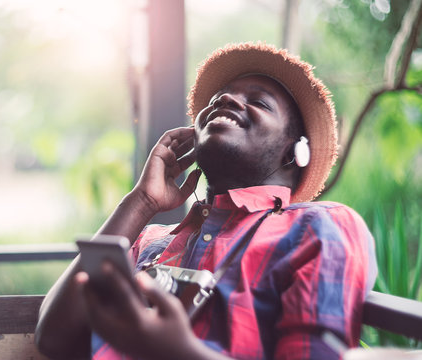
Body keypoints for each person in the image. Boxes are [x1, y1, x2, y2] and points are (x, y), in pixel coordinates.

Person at [35, 42, 378, 360]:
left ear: (294, 148)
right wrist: (141, 202)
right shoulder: (150, 241)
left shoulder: (318, 228)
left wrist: (180, 352)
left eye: (258, 102)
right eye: (217, 99)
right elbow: (55, 339)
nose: (224, 101)